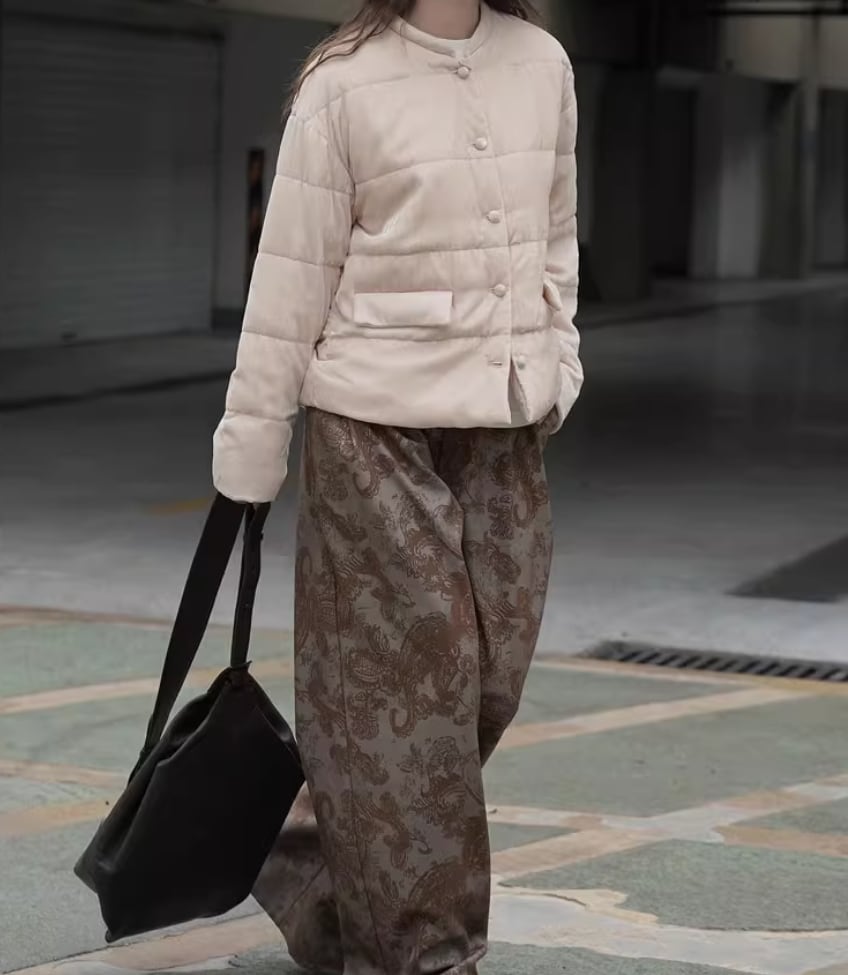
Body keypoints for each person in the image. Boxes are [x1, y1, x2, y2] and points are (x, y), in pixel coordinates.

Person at [212, 0, 582, 972]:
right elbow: (288, 281)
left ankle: (319, 861)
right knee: (412, 692)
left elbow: (555, 236)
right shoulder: (342, 84)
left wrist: (560, 360)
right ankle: (427, 953)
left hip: (504, 422)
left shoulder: (542, 63)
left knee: (482, 685)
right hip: (371, 429)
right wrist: (253, 444)